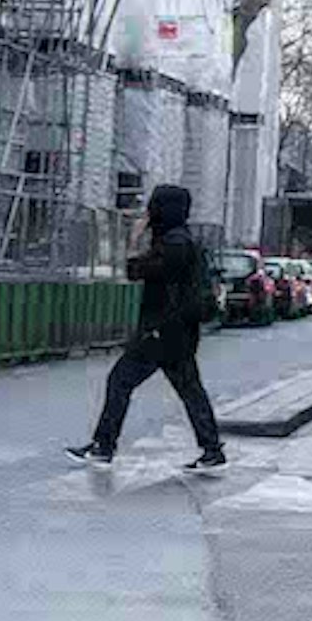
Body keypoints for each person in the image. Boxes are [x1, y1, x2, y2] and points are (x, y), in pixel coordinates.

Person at [68, 182, 226, 471]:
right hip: (180, 333)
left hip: (160, 332)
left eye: (153, 205)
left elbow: (136, 271)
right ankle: (212, 449)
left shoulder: (172, 245)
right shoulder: (185, 240)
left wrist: (134, 240)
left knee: (120, 380)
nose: (148, 212)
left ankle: (104, 446)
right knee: (190, 390)